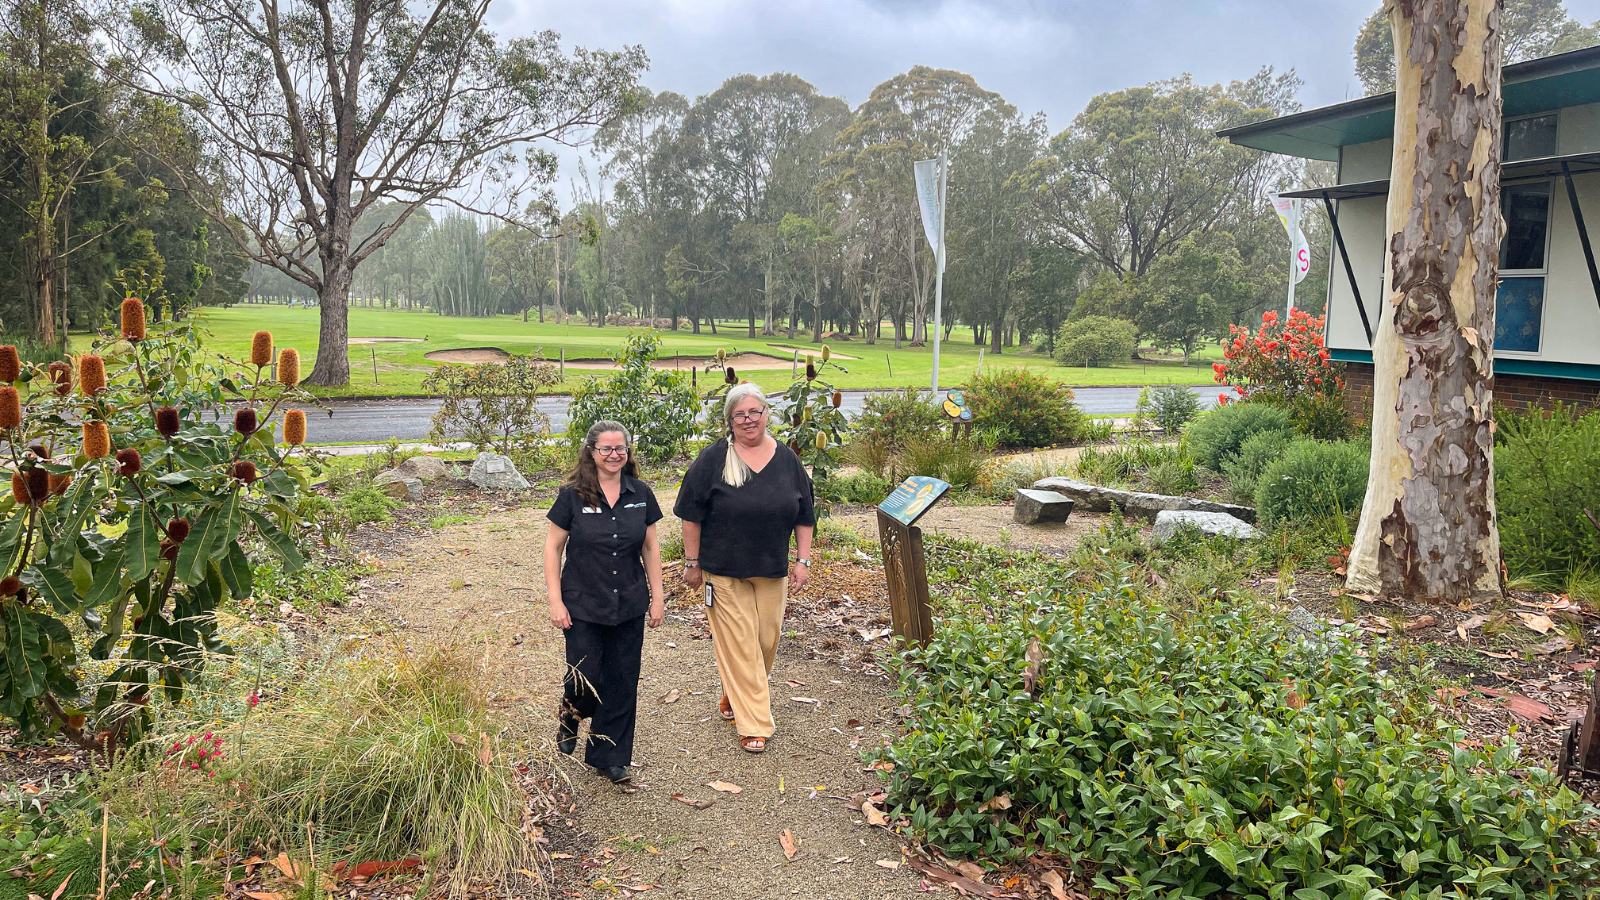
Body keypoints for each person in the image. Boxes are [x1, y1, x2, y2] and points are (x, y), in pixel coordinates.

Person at [675, 382, 815, 753]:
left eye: (755, 411)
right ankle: (753, 723)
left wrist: (802, 560)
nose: (749, 419)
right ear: (729, 420)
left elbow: (805, 514)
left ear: (768, 414)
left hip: (771, 568)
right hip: (723, 569)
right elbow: (690, 515)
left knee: (766, 640)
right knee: (740, 642)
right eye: (740, 414)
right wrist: (692, 564)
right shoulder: (713, 459)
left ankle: (733, 692)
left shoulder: (787, 460)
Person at [544, 420, 665, 783]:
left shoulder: (640, 492)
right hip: (582, 602)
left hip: (628, 601)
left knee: (622, 680)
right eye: (606, 449)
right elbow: (553, 547)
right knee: (585, 676)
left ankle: (610, 757)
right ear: (591, 452)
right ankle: (571, 713)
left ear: (628, 452)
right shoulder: (572, 495)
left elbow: (650, 547)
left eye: (621, 448)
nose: (614, 455)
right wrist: (555, 600)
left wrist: (657, 596)